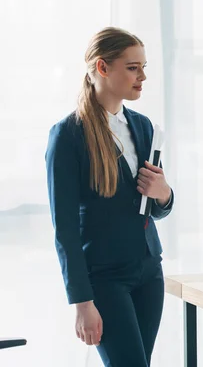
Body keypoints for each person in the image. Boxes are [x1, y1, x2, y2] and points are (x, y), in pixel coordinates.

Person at [45, 27, 174, 367]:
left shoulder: (143, 127)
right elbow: (65, 230)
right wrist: (81, 302)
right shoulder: (68, 135)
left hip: (149, 272)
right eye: (133, 67)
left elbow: (154, 208)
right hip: (104, 279)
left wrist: (165, 195)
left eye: (144, 67)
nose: (143, 77)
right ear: (102, 68)